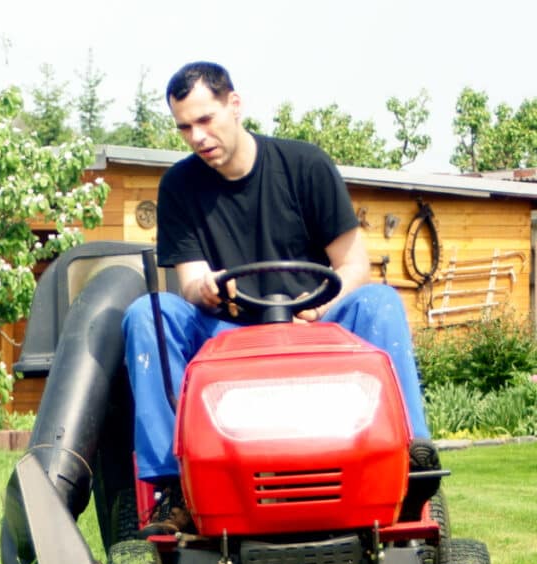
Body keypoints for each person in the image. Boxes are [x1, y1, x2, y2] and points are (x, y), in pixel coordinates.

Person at [122, 61, 439, 535]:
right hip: (228, 333)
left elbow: (352, 265)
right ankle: (174, 486)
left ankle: (410, 457)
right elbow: (188, 280)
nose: (197, 137)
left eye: (205, 120)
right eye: (185, 127)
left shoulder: (304, 166)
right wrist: (203, 288)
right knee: (147, 314)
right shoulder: (179, 186)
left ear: (234, 104)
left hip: (316, 328)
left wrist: (323, 308)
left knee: (379, 302)